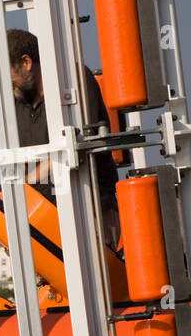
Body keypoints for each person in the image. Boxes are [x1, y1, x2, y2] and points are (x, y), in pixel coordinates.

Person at [7, 28, 121, 246]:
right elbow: (15, 158)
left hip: (90, 210)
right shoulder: (16, 99)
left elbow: (78, 144)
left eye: (8, 75)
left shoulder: (74, 79)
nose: (7, 85)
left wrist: (26, 182)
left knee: (95, 278)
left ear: (26, 62)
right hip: (40, 217)